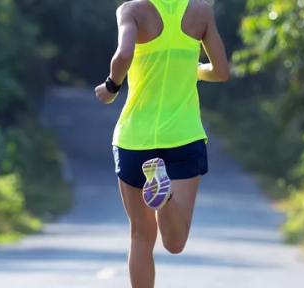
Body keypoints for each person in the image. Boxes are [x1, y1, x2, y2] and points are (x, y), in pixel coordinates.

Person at [93, 0, 229, 287]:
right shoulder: (200, 12)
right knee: (175, 242)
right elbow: (221, 71)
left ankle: (160, 192)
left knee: (141, 236)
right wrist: (194, 69)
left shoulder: (131, 10)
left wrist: (111, 86)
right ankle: (164, 198)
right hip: (183, 136)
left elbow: (123, 55)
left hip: (135, 139)